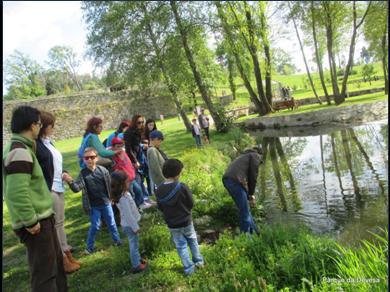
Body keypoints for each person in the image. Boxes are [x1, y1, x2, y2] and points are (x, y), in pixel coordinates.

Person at [3, 105, 67, 292]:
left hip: (43, 218)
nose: (40, 128)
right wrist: (30, 221)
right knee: (44, 275)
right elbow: (16, 193)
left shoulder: (23, 148)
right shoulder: (19, 151)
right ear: (32, 126)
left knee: (56, 266)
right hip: (36, 223)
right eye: (39, 124)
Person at [36, 111, 80, 273]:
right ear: (42, 127)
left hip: (59, 186)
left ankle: (67, 253)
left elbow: (55, 164)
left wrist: (65, 173)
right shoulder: (36, 145)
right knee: (55, 226)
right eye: (50, 125)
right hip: (50, 189)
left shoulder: (48, 142)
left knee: (60, 224)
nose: (53, 127)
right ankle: (62, 259)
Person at [62, 147, 122, 254]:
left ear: (97, 158)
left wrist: (112, 197)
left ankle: (117, 241)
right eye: (86, 158)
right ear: (83, 160)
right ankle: (89, 247)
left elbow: (110, 185)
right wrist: (70, 181)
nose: (89, 160)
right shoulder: (83, 174)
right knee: (95, 226)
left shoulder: (103, 171)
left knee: (111, 223)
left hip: (106, 203)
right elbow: (76, 188)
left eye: (92, 157)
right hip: (93, 206)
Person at [155, 159, 204, 276]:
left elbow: (160, 207)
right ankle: (199, 262)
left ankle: (189, 269)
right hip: (186, 221)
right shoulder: (182, 187)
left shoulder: (159, 189)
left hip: (172, 224)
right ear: (177, 174)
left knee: (181, 246)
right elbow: (191, 203)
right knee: (192, 241)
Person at [110, 171, 147, 274]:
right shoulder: (123, 198)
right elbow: (128, 215)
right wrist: (135, 227)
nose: (129, 182)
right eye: (127, 181)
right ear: (122, 184)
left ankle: (138, 259)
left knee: (134, 243)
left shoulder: (123, 195)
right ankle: (136, 265)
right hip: (130, 225)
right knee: (133, 244)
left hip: (128, 224)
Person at [222, 146, 264, 235]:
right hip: (233, 182)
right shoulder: (255, 156)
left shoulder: (245, 156)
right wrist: (251, 194)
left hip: (230, 180)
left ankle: (256, 233)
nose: (259, 163)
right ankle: (246, 238)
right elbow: (253, 177)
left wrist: (249, 196)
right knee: (244, 211)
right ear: (260, 155)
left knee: (245, 209)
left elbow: (245, 180)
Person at [124, 114, 155, 206]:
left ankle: (146, 198)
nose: (141, 124)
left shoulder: (139, 131)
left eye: (142, 122)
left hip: (141, 156)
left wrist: (142, 146)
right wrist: (134, 161)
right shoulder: (129, 132)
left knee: (142, 178)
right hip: (134, 158)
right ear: (134, 122)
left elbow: (137, 144)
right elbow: (128, 149)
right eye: (139, 122)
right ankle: (141, 202)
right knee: (138, 180)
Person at [110, 137, 147, 209]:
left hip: (132, 178)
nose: (120, 148)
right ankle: (134, 209)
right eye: (118, 146)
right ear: (113, 147)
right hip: (125, 181)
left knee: (139, 191)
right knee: (131, 195)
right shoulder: (113, 156)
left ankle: (139, 206)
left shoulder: (124, 152)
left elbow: (128, 163)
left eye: (121, 146)